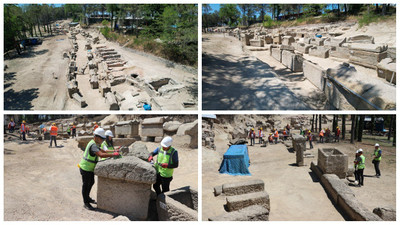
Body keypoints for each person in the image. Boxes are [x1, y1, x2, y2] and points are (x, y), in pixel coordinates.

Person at [78, 128, 120, 210]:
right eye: (102, 138)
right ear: (96, 137)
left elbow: (103, 151)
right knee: (86, 185)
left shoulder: (95, 143)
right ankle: (86, 202)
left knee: (91, 182)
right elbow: (101, 154)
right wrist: (114, 155)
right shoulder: (93, 145)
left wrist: (113, 152)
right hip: (85, 168)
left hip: (90, 168)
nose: (102, 140)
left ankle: (87, 197)